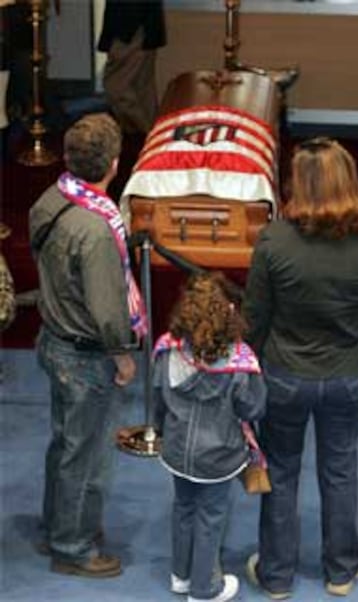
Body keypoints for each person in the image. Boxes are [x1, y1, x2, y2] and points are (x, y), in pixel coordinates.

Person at [243, 138, 358, 599]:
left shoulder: (273, 241)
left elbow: (254, 318)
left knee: (281, 472)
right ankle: (341, 571)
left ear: (297, 184)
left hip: (285, 376)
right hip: (346, 374)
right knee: (341, 470)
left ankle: (276, 576)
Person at [29, 112, 147, 578]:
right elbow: (106, 308)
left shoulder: (51, 197)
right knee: (88, 454)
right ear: (115, 164)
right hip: (85, 355)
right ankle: (74, 547)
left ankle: (57, 525)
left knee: (64, 445)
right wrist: (122, 357)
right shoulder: (98, 230)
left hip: (54, 338)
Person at [152, 271, 267, 602]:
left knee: (183, 507)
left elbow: (158, 399)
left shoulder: (166, 350)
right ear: (229, 312)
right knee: (210, 516)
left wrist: (161, 431)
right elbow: (253, 408)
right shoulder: (242, 361)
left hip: (176, 450)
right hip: (220, 455)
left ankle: (181, 576)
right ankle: (205, 589)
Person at [97, 0, 166, 135]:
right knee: (142, 89)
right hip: (141, 23)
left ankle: (146, 133)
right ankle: (153, 136)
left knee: (116, 87)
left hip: (129, 25)